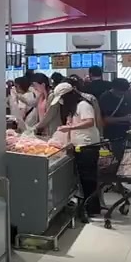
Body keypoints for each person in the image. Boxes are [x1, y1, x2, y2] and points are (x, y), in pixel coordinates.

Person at [50, 82, 102, 222]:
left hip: (88, 146)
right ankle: (88, 206)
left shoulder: (83, 105)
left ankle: (91, 208)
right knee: (84, 178)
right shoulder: (73, 108)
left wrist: (70, 128)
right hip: (80, 146)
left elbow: (89, 122)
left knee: (88, 179)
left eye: (62, 98)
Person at [100, 78, 131, 158]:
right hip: (109, 133)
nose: (122, 94)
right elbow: (105, 119)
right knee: (114, 155)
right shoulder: (105, 98)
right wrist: (124, 118)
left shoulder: (128, 96)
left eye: (124, 92)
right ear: (114, 89)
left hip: (125, 132)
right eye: (120, 93)